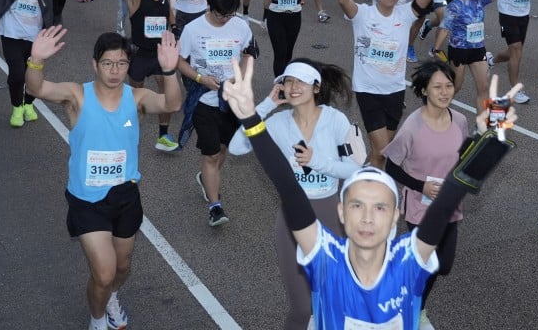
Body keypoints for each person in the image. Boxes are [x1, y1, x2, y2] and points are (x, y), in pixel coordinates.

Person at [220, 56, 518, 330]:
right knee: (302, 308)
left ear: (395, 218)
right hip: (310, 209)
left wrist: (486, 137)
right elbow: (287, 186)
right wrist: (253, 114)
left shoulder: (406, 262)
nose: (366, 218)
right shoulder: (333, 256)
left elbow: (447, 199)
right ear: (342, 212)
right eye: (357, 206)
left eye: (379, 208)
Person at [24, 27, 182, 330]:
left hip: (125, 196)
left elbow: (172, 104)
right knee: (105, 273)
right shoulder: (76, 95)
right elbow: (37, 89)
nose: (114, 70)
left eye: (121, 64)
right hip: (87, 200)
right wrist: (36, 60)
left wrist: (170, 70)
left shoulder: (136, 98)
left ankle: (111, 297)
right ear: (95, 64)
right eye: (107, 63)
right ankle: (97, 319)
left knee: (122, 268)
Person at [228, 59, 362, 330]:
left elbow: (356, 168)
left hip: (330, 215)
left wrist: (318, 162)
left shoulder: (336, 120)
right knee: (301, 308)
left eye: (300, 81)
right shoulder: (277, 123)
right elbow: (236, 148)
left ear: (316, 87)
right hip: (291, 217)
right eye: (288, 81)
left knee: (332, 297)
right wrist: (265, 105)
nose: (292, 86)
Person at [338, 0, 454, 169]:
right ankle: (371, 188)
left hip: (395, 90)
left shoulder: (406, 13)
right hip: (368, 90)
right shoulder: (363, 14)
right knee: (382, 150)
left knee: (383, 150)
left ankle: (370, 176)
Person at [383, 61, 468, 328]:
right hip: (420, 206)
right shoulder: (412, 127)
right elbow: (391, 165)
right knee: (427, 264)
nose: (445, 92)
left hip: (449, 204)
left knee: (443, 265)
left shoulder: (461, 121)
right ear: (424, 91)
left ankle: (406, 289)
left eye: (449, 86)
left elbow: (463, 158)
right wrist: (421, 186)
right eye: (437, 87)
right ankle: (414, 308)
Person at [176, 0, 259, 227]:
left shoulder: (241, 26)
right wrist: (201, 78)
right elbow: (180, 62)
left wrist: (240, 78)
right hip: (204, 99)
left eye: (229, 14)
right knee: (211, 153)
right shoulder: (193, 30)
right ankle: (215, 207)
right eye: (220, 14)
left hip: (232, 100)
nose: (225, 19)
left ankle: (206, 178)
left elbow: (249, 52)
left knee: (222, 150)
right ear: (209, 6)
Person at [105, 0, 179, 153]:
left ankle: (163, 135)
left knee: (167, 94)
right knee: (133, 100)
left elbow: (168, 14)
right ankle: (126, 133)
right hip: (139, 55)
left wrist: (174, 27)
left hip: (159, 55)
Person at [442, 0, 529, 105]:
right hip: (459, 50)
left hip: (478, 50)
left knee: (483, 88)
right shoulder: (454, 5)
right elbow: (444, 28)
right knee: (456, 87)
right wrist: (436, 48)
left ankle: (481, 126)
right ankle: (435, 111)